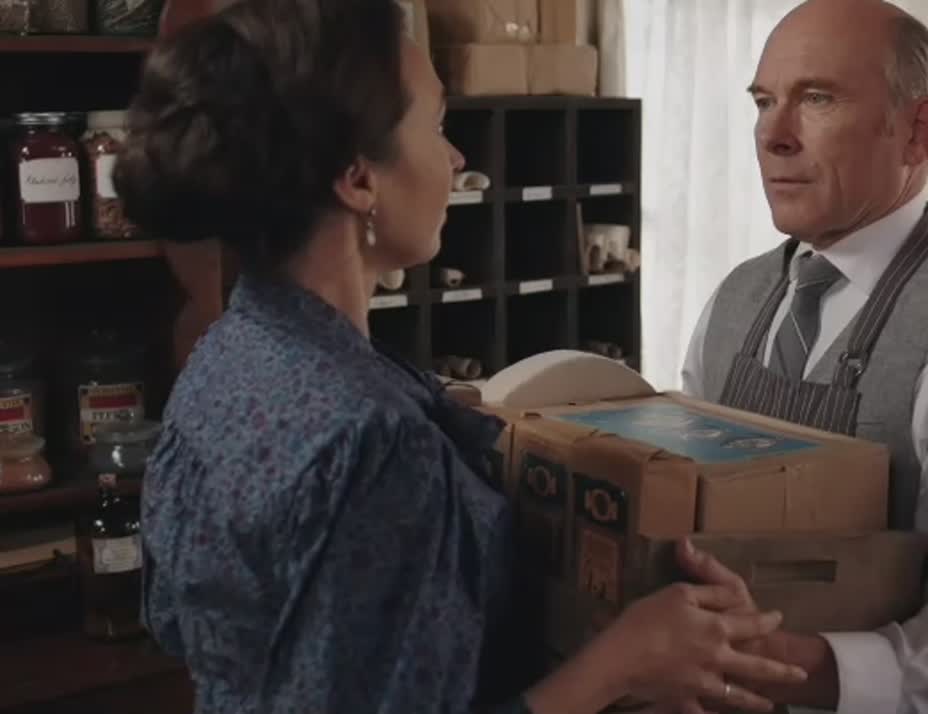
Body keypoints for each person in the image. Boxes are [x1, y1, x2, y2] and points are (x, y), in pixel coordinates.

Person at [115, 1, 808, 713]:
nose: (456, 160)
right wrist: (624, 662)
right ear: (359, 178)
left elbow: (182, 617)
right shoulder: (375, 444)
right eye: (438, 127)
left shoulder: (230, 352)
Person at [680, 1, 928, 712]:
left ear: (918, 132)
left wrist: (794, 667)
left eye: (817, 99)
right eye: (764, 102)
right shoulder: (732, 300)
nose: (773, 135)